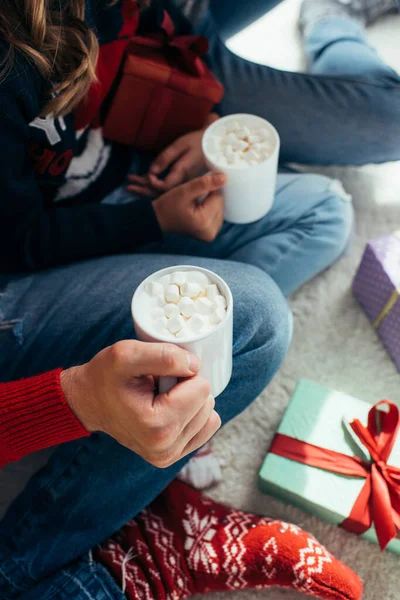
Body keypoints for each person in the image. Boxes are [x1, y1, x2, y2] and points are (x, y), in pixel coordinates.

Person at [0, 0, 396, 597]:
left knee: (325, 213)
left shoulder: (90, 19)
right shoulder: (13, 62)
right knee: (255, 316)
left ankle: (162, 380)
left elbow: (158, 37)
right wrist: (150, 222)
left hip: (110, 176)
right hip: (27, 261)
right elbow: (14, 240)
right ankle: (124, 543)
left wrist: (198, 118)